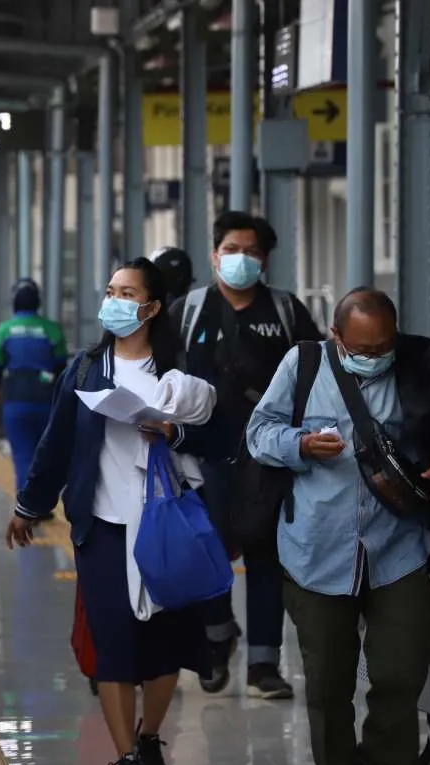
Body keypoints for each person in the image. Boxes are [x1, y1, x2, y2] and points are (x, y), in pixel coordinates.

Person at [245, 288, 430, 765]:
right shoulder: (302, 365)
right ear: (336, 335)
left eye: (384, 348)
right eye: (363, 349)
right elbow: (259, 432)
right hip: (315, 549)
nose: (375, 358)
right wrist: (300, 444)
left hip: (398, 546)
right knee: (327, 683)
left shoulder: (416, 366)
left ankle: (381, 759)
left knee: (403, 664)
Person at [6, 257, 216, 765]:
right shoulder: (84, 370)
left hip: (164, 526)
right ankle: (126, 760)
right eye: (110, 290)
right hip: (102, 527)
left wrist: (173, 432)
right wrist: (29, 506)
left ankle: (149, 739)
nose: (114, 301)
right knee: (113, 644)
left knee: (165, 645)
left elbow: (219, 438)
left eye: (127, 293)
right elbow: (55, 444)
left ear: (151, 307)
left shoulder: (176, 372)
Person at [168, 210, 323, 699]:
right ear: (214, 255)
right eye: (231, 250)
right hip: (202, 455)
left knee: (265, 555)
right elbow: (161, 373)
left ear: (266, 260)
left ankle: (263, 664)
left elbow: (318, 372)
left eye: (251, 252)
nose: (241, 259)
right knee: (203, 548)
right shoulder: (189, 311)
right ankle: (218, 635)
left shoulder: (285, 311)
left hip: (269, 457)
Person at [0, 279, 69, 491]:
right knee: (45, 453)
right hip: (46, 398)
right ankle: (45, 499)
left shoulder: (5, 330)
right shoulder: (51, 329)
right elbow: (62, 365)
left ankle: (26, 502)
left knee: (23, 454)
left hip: (15, 398)